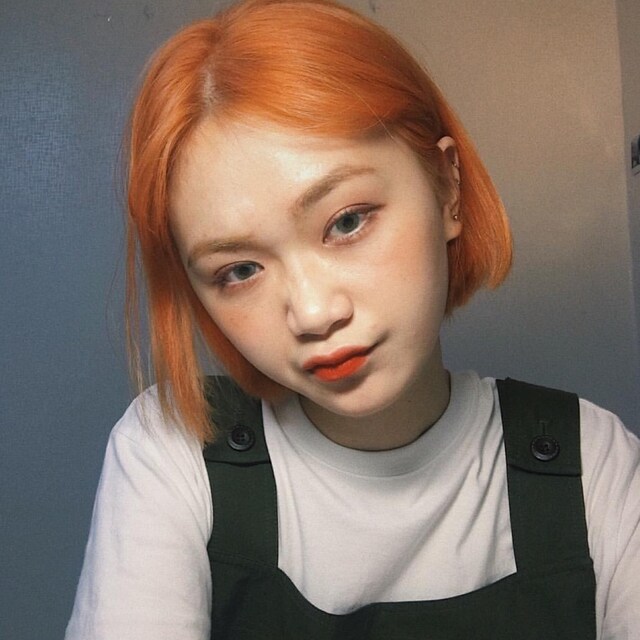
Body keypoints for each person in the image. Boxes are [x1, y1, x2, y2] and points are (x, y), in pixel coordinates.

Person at [65, 0, 640, 638]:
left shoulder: (593, 462)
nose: (313, 314)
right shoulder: (174, 454)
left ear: (447, 188)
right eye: (240, 270)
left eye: (346, 221)